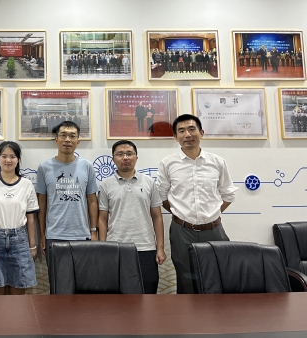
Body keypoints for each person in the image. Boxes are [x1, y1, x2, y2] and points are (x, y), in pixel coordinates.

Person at [156, 114, 237, 294]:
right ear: (175, 137)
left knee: (219, 275)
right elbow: (162, 196)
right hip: (182, 231)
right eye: (181, 131)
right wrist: (180, 214)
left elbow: (228, 194)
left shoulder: (217, 162)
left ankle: (217, 312)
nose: (187, 134)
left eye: (192, 129)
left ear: (201, 133)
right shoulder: (168, 164)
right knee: (186, 279)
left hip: (214, 230)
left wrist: (212, 214)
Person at [98, 140, 166, 294]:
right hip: (116, 248)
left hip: (145, 247)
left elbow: (157, 217)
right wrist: (103, 248)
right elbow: (102, 219)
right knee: (117, 295)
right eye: (120, 154)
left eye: (129, 153)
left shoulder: (149, 183)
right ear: (113, 159)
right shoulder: (105, 185)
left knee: (148, 293)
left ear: (136, 157)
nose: (125, 157)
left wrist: (160, 248)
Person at [0, 141, 38, 295]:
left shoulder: (26, 184)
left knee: (19, 291)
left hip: (20, 241)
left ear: (18, 160)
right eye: (4, 156)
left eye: (12, 156)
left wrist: (32, 245)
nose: (8, 160)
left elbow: (30, 218)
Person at [36, 121, 99, 267]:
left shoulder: (87, 166)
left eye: (72, 136)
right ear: (56, 139)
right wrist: (43, 234)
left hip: (82, 235)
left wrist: (93, 231)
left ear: (78, 141)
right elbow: (42, 202)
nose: (67, 140)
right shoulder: (44, 167)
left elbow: (92, 200)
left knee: (83, 279)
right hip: (54, 235)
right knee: (57, 279)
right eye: (63, 135)